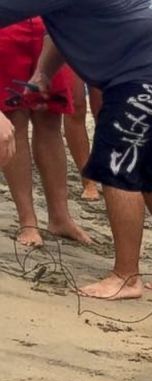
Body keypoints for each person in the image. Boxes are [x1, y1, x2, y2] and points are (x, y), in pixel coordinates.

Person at [0, 0, 152, 299]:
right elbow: (64, 27)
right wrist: (44, 73)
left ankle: (126, 277)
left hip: (146, 72)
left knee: (117, 164)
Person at [0, 17, 92, 247]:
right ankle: (28, 222)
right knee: (15, 119)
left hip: (48, 24)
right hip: (8, 23)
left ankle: (60, 217)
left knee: (51, 122)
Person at [63, 69, 102, 201]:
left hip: (104, 49)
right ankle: (87, 179)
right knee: (75, 104)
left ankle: (109, 170)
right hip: (69, 49)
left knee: (102, 107)